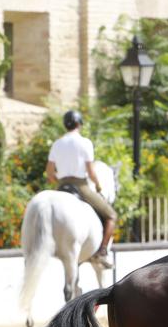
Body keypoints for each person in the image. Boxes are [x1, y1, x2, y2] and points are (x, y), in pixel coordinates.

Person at [45, 110, 117, 268]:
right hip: (80, 186)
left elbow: (49, 172)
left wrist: (58, 181)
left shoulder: (57, 143)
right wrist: (98, 185)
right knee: (111, 215)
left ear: (65, 125)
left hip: (62, 186)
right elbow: (91, 172)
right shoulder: (85, 142)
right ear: (79, 124)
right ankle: (102, 252)